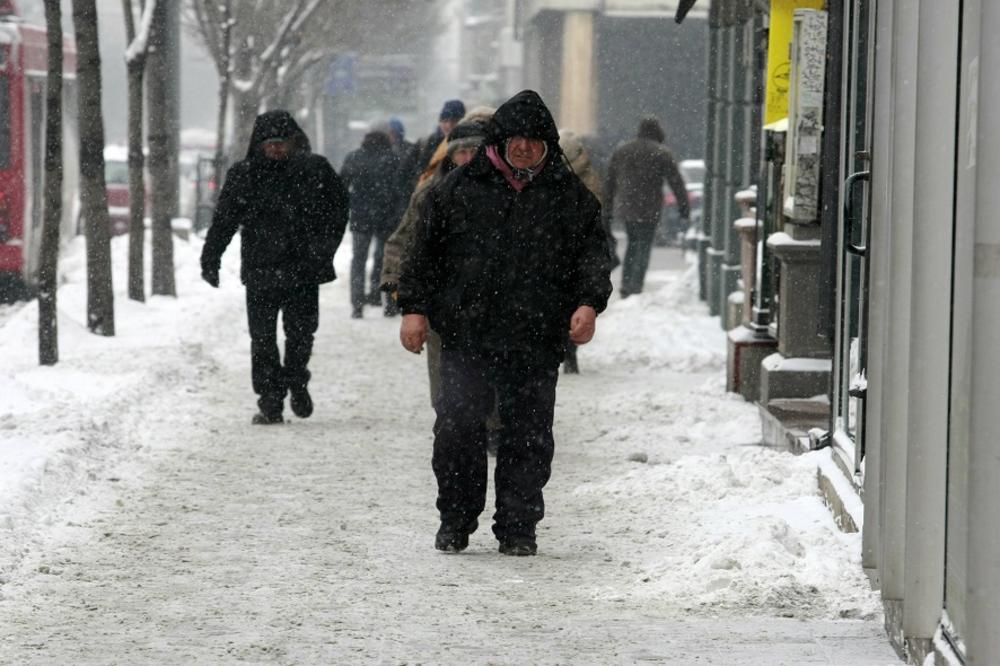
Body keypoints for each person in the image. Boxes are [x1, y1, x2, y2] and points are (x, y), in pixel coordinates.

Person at [397, 90, 613, 557]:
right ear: (501, 140)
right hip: (465, 333)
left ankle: (518, 525)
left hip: (535, 337)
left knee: (528, 435)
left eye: (535, 142)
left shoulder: (568, 196)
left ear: (548, 145)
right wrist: (413, 309)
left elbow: (593, 257)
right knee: (457, 428)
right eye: (517, 140)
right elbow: (421, 256)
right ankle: (455, 518)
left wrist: (589, 303)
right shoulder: (455, 191)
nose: (525, 149)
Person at [200, 110, 349, 425]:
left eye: (283, 143)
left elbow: (338, 210)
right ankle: (270, 399)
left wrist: (324, 248)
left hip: (303, 270)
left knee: (301, 334)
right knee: (263, 339)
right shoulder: (245, 174)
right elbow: (225, 218)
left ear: (294, 142)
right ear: (260, 144)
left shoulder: (315, 170)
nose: (277, 149)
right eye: (271, 143)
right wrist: (211, 257)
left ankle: (296, 379)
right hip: (261, 269)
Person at [381, 115, 491, 409]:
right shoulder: (430, 193)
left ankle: (492, 427)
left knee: (492, 373)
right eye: (461, 152)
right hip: (441, 301)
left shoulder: (507, 193)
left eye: (474, 151)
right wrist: (398, 289)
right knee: (446, 384)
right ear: (451, 155)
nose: (468, 158)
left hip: (493, 301)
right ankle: (451, 424)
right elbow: (402, 241)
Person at [605, 116, 689, 297]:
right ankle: (636, 286)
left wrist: (607, 208)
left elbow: (610, 182)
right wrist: (684, 207)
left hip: (626, 206)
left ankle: (627, 285)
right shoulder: (662, 153)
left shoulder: (623, 151)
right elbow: (676, 182)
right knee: (643, 245)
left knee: (632, 244)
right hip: (649, 207)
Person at [340, 131, 401, 318]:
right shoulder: (392, 158)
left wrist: (351, 203)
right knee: (386, 261)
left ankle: (357, 306)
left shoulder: (354, 157)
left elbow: (342, 186)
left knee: (358, 260)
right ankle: (389, 303)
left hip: (361, 217)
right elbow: (399, 189)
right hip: (386, 218)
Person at [413, 99, 465, 175]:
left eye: (454, 121)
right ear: (440, 122)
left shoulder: (468, 143)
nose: (449, 125)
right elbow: (419, 172)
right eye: (445, 121)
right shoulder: (430, 141)